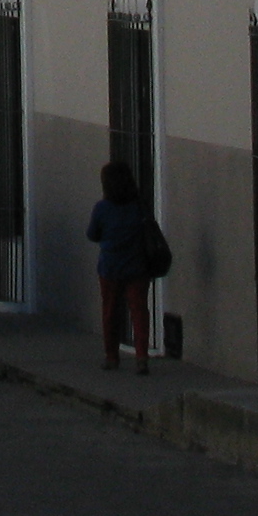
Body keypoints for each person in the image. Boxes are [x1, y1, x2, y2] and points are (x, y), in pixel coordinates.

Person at [86, 160, 162, 375]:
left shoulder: (102, 208)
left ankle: (111, 357)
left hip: (110, 268)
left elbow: (92, 234)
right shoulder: (138, 207)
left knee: (110, 312)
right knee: (139, 312)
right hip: (137, 267)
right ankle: (141, 357)